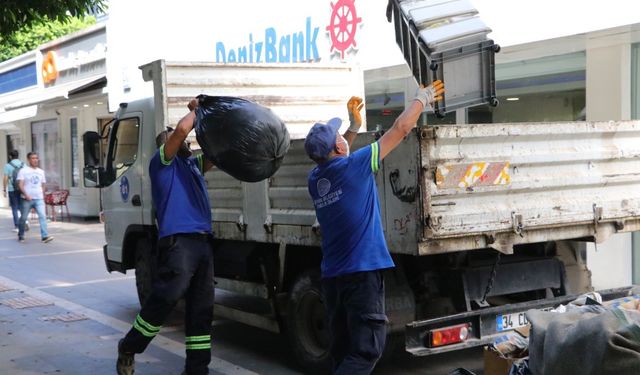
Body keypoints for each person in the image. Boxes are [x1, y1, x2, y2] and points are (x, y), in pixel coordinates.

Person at [303, 81, 444, 374]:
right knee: (367, 351)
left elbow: (338, 158)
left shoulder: (316, 179)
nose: (344, 138)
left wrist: (353, 127)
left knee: (343, 352)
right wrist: (422, 98)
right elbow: (401, 129)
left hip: (333, 278)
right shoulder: (354, 166)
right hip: (361, 275)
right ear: (338, 147)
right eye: (340, 136)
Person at [117, 98, 216, 375]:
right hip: (179, 244)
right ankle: (129, 346)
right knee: (165, 299)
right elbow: (183, 131)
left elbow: (216, 153)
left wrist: (210, 116)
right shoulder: (161, 164)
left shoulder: (193, 165)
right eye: (172, 136)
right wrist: (197, 110)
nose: (181, 138)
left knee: (201, 312)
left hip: (203, 243)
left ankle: (197, 370)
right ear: (167, 144)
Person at [17, 152, 52, 243]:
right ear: (29, 160)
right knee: (24, 218)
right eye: (33, 158)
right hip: (26, 199)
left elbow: (43, 184)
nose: (35, 160)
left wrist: (42, 192)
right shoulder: (23, 171)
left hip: (39, 198)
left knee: (42, 216)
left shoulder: (41, 172)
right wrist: (25, 194)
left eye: (36, 158)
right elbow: (20, 185)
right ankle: (21, 234)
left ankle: (44, 236)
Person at [3, 150, 24, 232]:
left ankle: (17, 226)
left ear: (10, 156)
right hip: (22, 189)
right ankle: (24, 221)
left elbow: (5, 178)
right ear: (18, 156)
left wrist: (4, 189)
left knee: (14, 207)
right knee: (22, 206)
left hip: (12, 189)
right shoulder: (23, 164)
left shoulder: (8, 166)